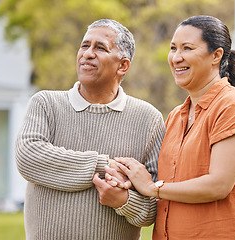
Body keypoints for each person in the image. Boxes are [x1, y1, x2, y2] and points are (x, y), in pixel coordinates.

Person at [114, 15, 235, 239]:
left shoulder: (234, 105)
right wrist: (128, 179)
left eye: (187, 48)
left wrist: (152, 188)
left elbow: (218, 185)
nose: (176, 57)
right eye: (173, 48)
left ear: (216, 55)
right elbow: (167, 182)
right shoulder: (176, 116)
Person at [15, 19, 165, 240]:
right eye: (85, 46)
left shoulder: (148, 118)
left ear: (122, 66)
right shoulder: (46, 104)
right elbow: (28, 158)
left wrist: (123, 201)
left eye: (100, 48)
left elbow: (155, 205)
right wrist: (105, 166)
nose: (87, 53)